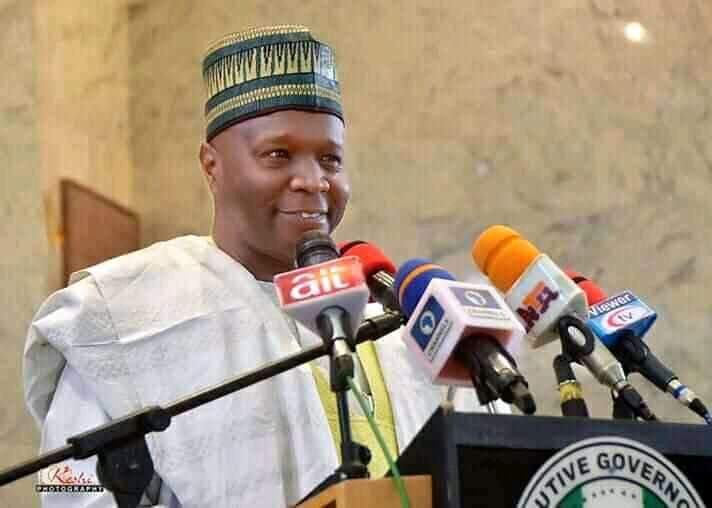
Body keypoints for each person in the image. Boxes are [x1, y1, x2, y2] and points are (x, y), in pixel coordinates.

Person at [23, 25, 509, 508]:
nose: (313, 181)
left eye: (330, 159)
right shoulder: (118, 316)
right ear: (211, 165)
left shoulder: (396, 324)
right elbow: (69, 493)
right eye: (278, 155)